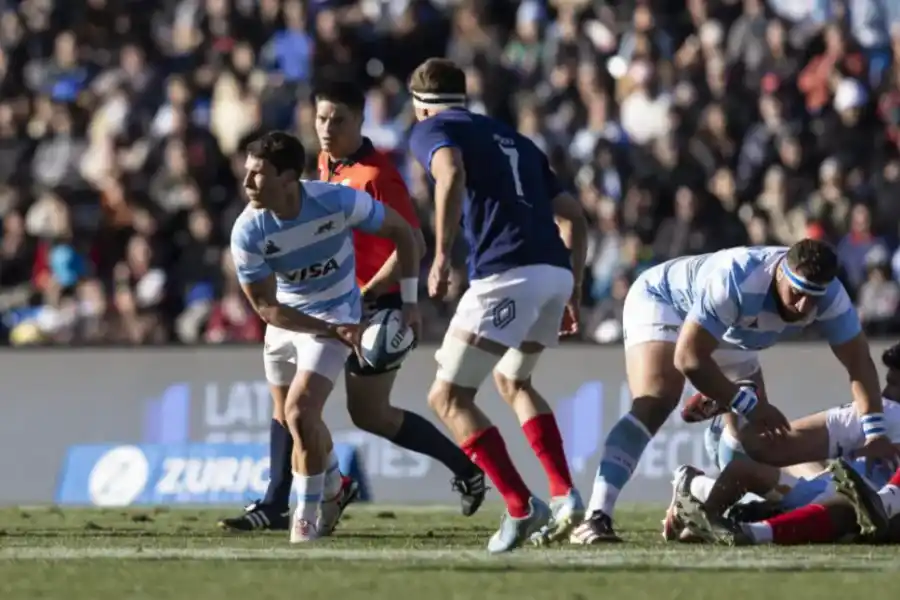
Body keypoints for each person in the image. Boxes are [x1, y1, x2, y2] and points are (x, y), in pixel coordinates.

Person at [573, 241, 900, 544]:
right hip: (668, 301)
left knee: (756, 445)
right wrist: (749, 404)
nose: (804, 306)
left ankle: (698, 491)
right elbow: (688, 358)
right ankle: (596, 516)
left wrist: (874, 432)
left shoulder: (830, 295)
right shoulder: (739, 277)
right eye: (797, 293)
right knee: (658, 398)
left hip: (732, 331)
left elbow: (859, 362)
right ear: (780, 274)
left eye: (814, 297)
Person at [407, 58, 589, 553]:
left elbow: (449, 173)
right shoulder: (514, 138)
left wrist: (440, 256)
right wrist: (573, 289)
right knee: (514, 380)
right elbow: (574, 217)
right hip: (553, 273)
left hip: (507, 274)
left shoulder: (432, 129)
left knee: (448, 398)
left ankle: (521, 505)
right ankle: (564, 494)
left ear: (420, 106)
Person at [227, 131, 422, 542]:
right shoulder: (247, 230)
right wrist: (331, 329)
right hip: (290, 321)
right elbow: (267, 308)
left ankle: (305, 518)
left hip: (337, 311)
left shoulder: (335, 201)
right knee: (291, 419)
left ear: (288, 178)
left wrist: (409, 302)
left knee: (300, 413)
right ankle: (335, 483)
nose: (246, 183)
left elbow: (404, 233)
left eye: (257, 174)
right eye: (247, 172)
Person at [673, 457, 900, 546]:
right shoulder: (876, 414)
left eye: (894, 385)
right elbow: (787, 441)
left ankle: (736, 527)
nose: (886, 391)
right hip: (826, 490)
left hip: (844, 497)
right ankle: (693, 492)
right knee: (744, 467)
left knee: (855, 508)